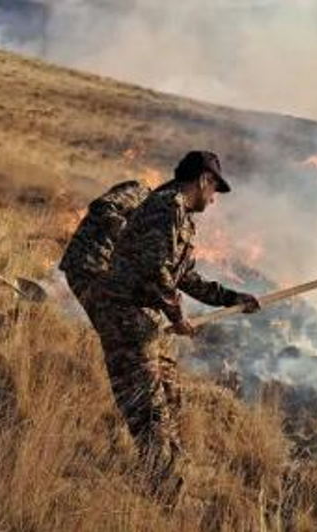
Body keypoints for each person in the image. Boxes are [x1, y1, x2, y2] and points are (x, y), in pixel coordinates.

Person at [91, 151, 260, 506]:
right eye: (214, 190)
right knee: (148, 410)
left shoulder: (178, 215)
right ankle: (165, 497)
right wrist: (177, 316)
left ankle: (170, 485)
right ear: (203, 180)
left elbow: (184, 276)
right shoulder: (166, 207)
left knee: (168, 400)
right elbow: (157, 270)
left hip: (141, 319)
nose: (213, 200)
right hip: (126, 318)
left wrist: (231, 298)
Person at [59, 180, 151, 321]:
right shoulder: (140, 192)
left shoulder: (155, 217)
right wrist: (126, 232)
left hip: (96, 268)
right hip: (88, 263)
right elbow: (102, 205)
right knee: (126, 326)